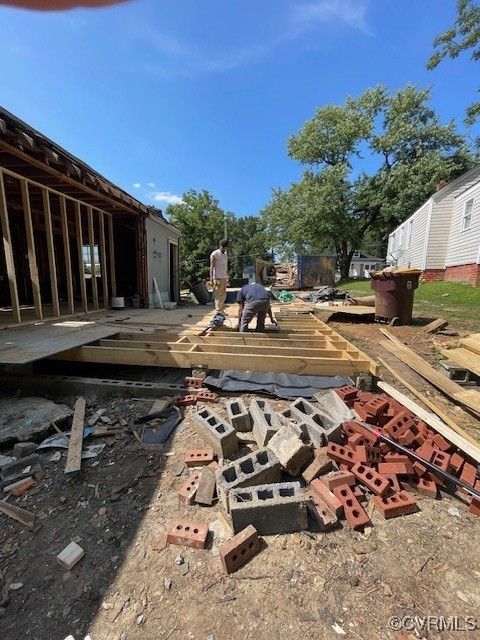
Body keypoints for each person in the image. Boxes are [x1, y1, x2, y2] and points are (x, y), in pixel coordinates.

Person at [209, 239, 229, 314]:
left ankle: (221, 309)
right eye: (223, 247)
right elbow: (212, 267)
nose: (224, 249)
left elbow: (226, 267)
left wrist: (227, 277)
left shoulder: (225, 255)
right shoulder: (215, 254)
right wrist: (211, 279)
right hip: (217, 277)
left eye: (226, 247)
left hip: (224, 277)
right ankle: (218, 311)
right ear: (221, 246)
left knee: (223, 294)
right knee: (217, 294)